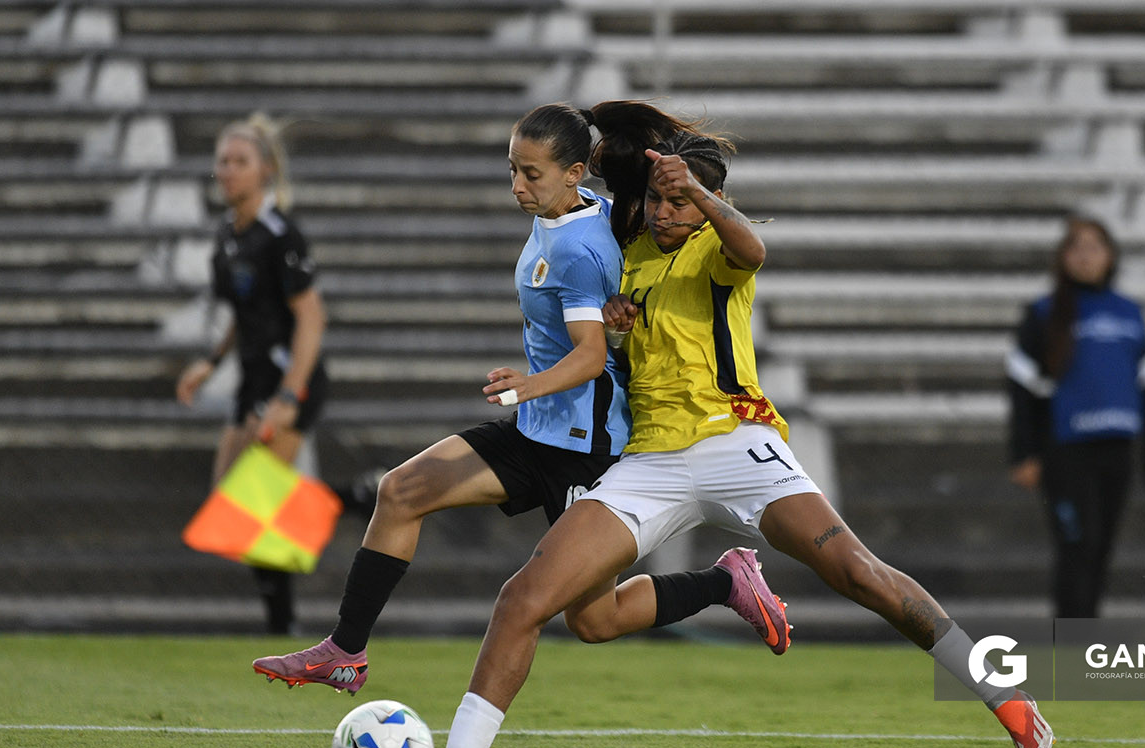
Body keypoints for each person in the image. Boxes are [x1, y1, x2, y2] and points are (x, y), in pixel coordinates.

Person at [405, 109, 1055, 748]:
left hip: (738, 444)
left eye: (677, 199)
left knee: (858, 573)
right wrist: (619, 332)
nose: (662, 211)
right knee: (527, 599)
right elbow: (617, 349)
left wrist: (706, 200)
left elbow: (755, 252)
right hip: (651, 460)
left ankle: (1004, 696)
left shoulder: (718, 247)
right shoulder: (629, 256)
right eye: (656, 197)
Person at [252, 102, 790, 692]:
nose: (517, 185)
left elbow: (589, 357)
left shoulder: (579, 249)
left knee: (594, 621)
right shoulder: (582, 215)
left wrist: (528, 384)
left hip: (586, 447)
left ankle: (725, 580)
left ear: (574, 173)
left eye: (531, 173)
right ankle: (344, 652)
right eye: (513, 169)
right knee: (401, 490)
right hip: (538, 430)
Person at [176, 113, 329, 634]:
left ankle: (280, 625)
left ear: (265, 170)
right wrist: (211, 362)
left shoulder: (279, 234)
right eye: (222, 160)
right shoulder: (226, 235)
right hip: (252, 379)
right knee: (231, 500)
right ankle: (356, 497)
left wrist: (291, 394)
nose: (227, 170)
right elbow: (240, 317)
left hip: (290, 379)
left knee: (254, 500)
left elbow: (311, 317)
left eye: (239, 161)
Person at [1005, 215, 1145, 619]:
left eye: (1094, 247)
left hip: (1117, 449)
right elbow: (1021, 390)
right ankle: (1072, 642)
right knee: (1077, 546)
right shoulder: (1044, 313)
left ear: (1110, 256)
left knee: (1101, 550)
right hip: (1066, 451)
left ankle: (1087, 638)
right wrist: (1022, 453)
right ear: (1062, 257)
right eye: (1076, 247)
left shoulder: (1131, 314)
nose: (1085, 256)